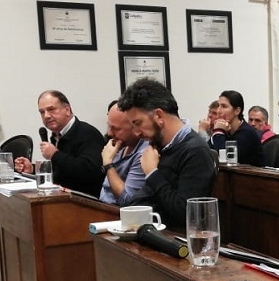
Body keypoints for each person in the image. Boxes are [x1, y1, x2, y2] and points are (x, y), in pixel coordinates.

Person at [117, 78, 216, 229]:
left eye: (138, 123)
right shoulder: (158, 147)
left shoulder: (195, 151)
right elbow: (144, 198)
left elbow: (185, 213)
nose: (136, 133)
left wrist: (152, 174)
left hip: (175, 238)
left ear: (159, 116)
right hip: (151, 231)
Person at [13, 90, 105, 197]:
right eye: (42, 112)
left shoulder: (88, 133)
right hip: (61, 197)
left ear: (67, 110)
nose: (46, 116)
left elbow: (90, 172)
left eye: (51, 109)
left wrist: (55, 155)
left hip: (85, 201)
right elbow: (60, 171)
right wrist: (33, 169)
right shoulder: (57, 136)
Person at [99, 101, 148, 206]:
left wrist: (108, 165)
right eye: (109, 127)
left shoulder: (144, 154)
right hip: (100, 208)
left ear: (135, 127)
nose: (109, 133)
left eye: (116, 129)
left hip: (117, 213)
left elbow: (128, 200)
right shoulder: (121, 145)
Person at [210, 90, 264, 166]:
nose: (218, 111)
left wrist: (218, 132)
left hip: (252, 173)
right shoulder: (226, 130)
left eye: (224, 106)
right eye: (218, 106)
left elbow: (226, 158)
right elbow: (207, 153)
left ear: (237, 111)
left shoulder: (247, 132)